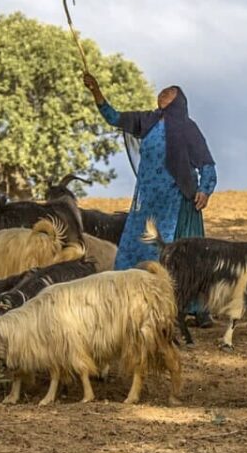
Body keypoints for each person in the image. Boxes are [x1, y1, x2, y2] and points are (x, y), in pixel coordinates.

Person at [83, 72, 216, 324]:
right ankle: (128, 298)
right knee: (137, 248)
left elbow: (206, 162)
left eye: (170, 91)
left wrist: (205, 189)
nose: (162, 92)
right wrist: (96, 91)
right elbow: (114, 117)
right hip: (147, 202)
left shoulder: (188, 128)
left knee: (177, 254)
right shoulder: (148, 121)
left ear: (179, 101)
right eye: (162, 90)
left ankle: (194, 308)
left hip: (177, 201)